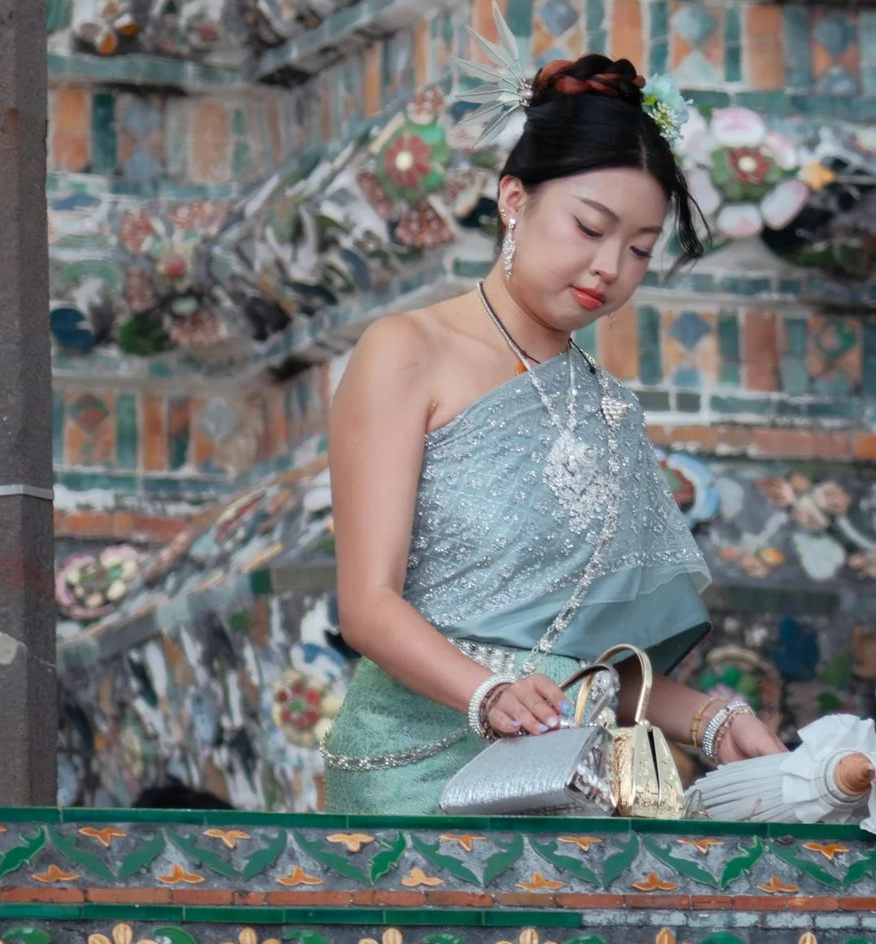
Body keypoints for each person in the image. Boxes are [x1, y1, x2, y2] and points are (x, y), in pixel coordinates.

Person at [322, 53, 780, 814]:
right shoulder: (408, 351)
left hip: (562, 775)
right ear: (514, 200)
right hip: (413, 776)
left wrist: (713, 720)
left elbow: (586, 662)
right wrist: (487, 692)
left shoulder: (609, 408)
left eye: (638, 249)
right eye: (588, 227)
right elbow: (367, 605)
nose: (609, 267)